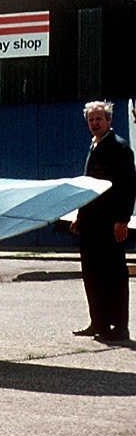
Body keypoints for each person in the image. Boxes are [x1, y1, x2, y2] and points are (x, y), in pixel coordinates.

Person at [70, 101, 134, 342]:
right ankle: (98, 322)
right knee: (92, 274)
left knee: (113, 275)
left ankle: (119, 326)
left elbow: (129, 187)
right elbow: (89, 188)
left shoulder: (119, 148)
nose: (95, 123)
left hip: (110, 225)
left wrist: (123, 220)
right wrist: (80, 216)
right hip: (91, 224)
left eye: (99, 119)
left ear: (109, 121)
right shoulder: (94, 147)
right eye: (91, 120)